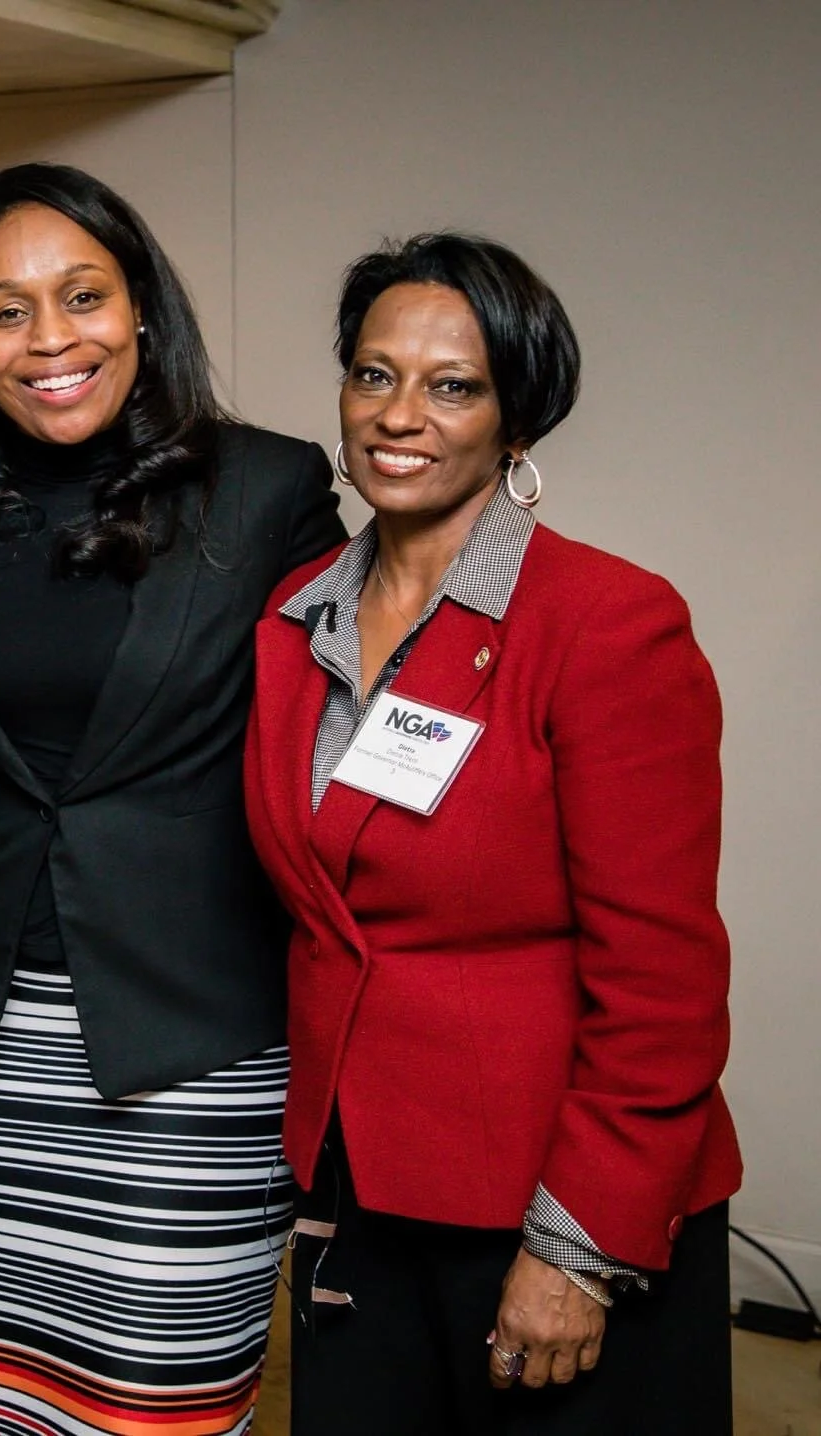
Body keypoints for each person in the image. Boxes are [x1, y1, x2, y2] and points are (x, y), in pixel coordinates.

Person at [0, 163, 346, 1435]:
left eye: (82, 295)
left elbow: (332, 745)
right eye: (5, 310)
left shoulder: (266, 490)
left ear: (139, 308)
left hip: (190, 1047)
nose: (49, 338)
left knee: (163, 1405)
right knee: (3, 1403)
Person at [243, 232, 742, 1433]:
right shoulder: (292, 621)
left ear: (515, 419)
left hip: (547, 1206)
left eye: (451, 385)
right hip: (357, 1197)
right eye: (372, 374)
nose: (397, 415)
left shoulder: (605, 624)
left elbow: (661, 984)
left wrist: (576, 1246)